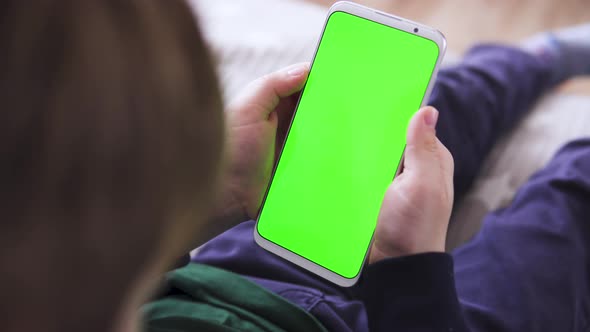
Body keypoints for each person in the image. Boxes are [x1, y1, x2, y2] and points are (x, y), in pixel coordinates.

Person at [1, 1, 589, 331]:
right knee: (563, 213)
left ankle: (530, 60)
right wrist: (411, 272)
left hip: (224, 283)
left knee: (426, 108)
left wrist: (215, 203)